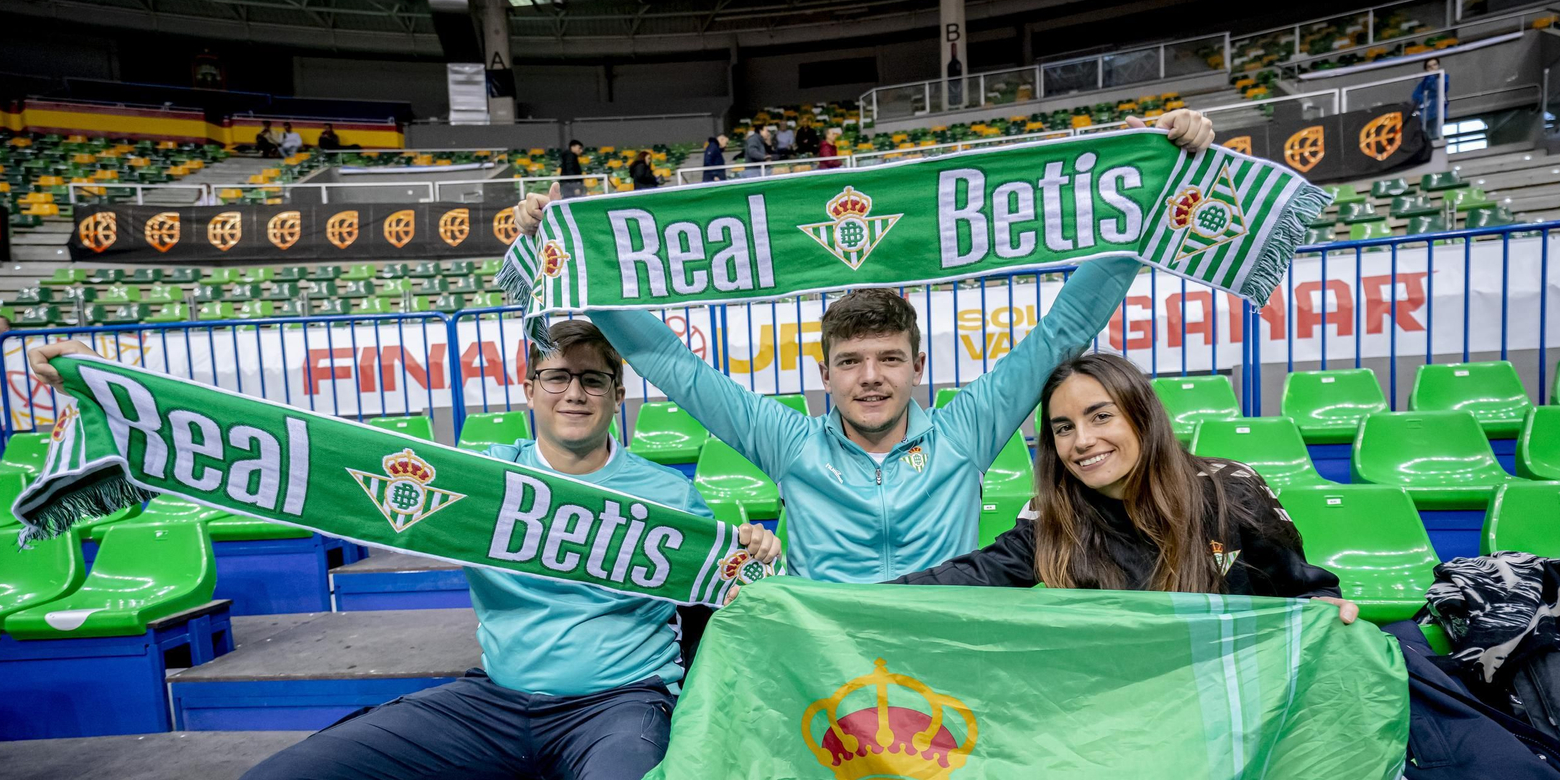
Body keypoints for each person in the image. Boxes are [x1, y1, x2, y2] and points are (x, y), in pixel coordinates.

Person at [24, 325, 781, 780]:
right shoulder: (480, 478)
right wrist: (107, 388)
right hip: (494, 704)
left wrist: (758, 556)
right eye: (558, 375)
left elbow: (740, 603)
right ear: (529, 388)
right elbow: (309, 450)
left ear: (620, 396)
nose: (575, 391)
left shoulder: (671, 499)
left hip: (617, 706)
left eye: (594, 378)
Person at [891, 351, 1560, 780]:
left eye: (1100, 416)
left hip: (1293, 757)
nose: (1081, 440)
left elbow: (1303, 595)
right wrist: (809, 607)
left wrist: (1322, 613)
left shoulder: (1228, 491)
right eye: (1063, 428)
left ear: (1140, 415)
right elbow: (956, 585)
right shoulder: (1053, 525)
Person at [510, 109, 1216, 584]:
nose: (870, 378)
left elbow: (1064, 326)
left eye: (888, 360)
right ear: (824, 373)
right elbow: (674, 364)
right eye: (850, 362)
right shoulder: (788, 441)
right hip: (829, 662)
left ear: (919, 366)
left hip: (943, 651)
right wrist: (572, 265)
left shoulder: (966, 428)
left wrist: (1158, 191)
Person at [1412, 57, 1448, 140]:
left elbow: (1438, 88)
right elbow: (1415, 97)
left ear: (1438, 66)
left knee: (1435, 133)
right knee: (1426, 136)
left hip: (1436, 112)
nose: (1433, 68)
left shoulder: (1443, 78)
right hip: (1425, 114)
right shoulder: (1422, 84)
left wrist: (1432, 78)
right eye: (1429, 66)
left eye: (1435, 65)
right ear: (1426, 69)